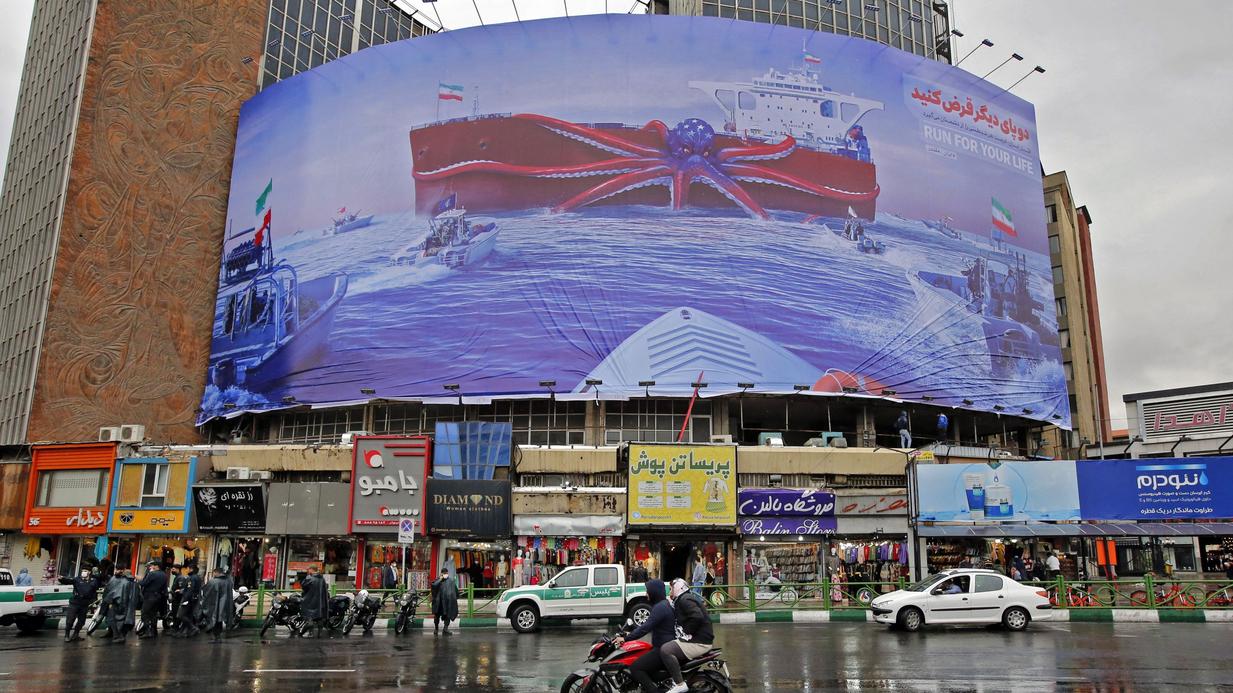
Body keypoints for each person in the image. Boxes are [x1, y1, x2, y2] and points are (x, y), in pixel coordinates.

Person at [614, 579, 676, 693]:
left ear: (654, 592)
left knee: (635, 668)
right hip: (665, 646)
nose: (646, 594)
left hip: (663, 648)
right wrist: (630, 633)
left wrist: (625, 638)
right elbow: (648, 626)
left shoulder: (660, 608)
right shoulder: (663, 604)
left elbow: (645, 628)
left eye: (648, 591)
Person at [660, 579, 715, 693]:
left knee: (666, 650)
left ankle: (679, 684)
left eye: (671, 589)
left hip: (699, 641)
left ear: (677, 588)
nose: (670, 592)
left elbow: (697, 616)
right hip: (699, 638)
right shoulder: (683, 599)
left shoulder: (685, 600)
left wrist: (687, 632)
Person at [61, 568, 101, 642]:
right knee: (70, 620)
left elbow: (94, 591)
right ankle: (67, 635)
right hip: (75, 603)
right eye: (82, 571)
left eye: (85, 571)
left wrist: (94, 601)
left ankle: (75, 635)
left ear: (89, 572)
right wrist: (61, 579)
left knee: (81, 621)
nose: (83, 572)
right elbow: (68, 581)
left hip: (84, 604)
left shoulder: (93, 581)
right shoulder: (77, 579)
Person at [102, 569, 139, 644]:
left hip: (120, 605)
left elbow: (114, 593)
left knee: (113, 620)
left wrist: (108, 600)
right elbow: (140, 597)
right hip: (130, 607)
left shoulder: (122, 582)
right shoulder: (135, 584)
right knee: (126, 622)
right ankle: (121, 636)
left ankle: (118, 636)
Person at [198, 568, 234, 642]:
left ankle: (215, 637)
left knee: (214, 619)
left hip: (214, 604)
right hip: (225, 604)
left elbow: (206, 592)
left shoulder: (213, 581)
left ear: (216, 573)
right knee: (219, 619)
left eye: (214, 573)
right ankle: (218, 636)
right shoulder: (229, 582)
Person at [137, 562, 169, 639]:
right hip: (158, 597)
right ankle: (153, 631)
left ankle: (148, 631)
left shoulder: (152, 574)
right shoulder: (164, 575)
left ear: (156, 566)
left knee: (145, 613)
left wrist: (138, 579)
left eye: (152, 565)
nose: (151, 567)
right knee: (153, 614)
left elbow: (144, 583)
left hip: (149, 596)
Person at [301, 565, 329, 639]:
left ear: (311, 569)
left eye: (308, 569)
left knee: (310, 616)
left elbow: (303, 586)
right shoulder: (322, 578)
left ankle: (311, 633)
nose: (308, 571)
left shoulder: (309, 578)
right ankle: (320, 633)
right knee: (319, 617)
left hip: (310, 600)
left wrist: (306, 577)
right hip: (320, 601)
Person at [176, 565, 204, 637]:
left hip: (188, 599)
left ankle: (193, 628)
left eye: (187, 568)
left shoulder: (192, 578)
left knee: (181, 615)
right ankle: (184, 631)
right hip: (194, 599)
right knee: (188, 615)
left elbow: (190, 590)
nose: (186, 570)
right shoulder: (198, 577)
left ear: (191, 569)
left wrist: (185, 599)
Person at [432, 568, 459, 635]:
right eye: (444, 573)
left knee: (448, 614)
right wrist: (440, 579)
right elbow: (434, 586)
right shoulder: (437, 580)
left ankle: (445, 629)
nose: (445, 574)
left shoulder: (451, 581)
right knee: (437, 615)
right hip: (439, 602)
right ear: (441, 574)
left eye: (446, 573)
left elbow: (455, 591)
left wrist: (454, 598)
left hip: (447, 602)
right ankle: (436, 629)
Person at [167, 565, 187, 632]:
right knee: (175, 613)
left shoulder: (180, 578)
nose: (172, 570)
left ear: (178, 569)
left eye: (173, 569)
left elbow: (182, 589)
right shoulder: (177, 577)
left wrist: (178, 591)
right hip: (175, 598)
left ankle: (176, 628)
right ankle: (175, 627)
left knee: (176, 614)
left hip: (178, 599)